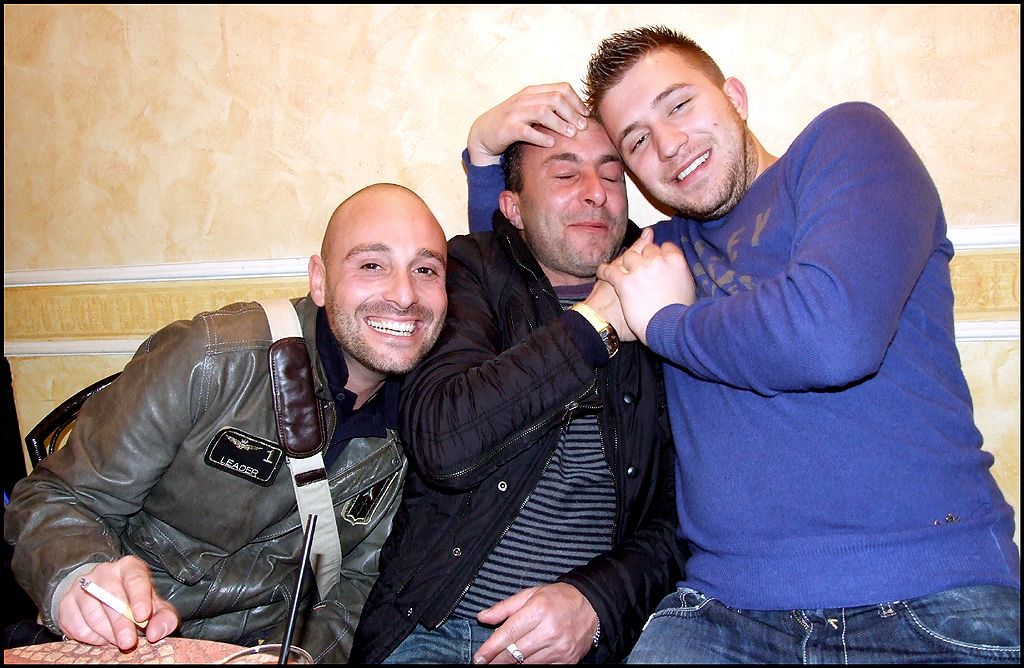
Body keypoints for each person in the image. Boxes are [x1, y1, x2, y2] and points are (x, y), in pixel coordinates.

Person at [464, 26, 1020, 664]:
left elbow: (833, 338)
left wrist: (667, 322)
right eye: (637, 141)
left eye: (679, 105)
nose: (668, 145)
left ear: (734, 96)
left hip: (931, 596)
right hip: (723, 613)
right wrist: (483, 153)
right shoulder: (657, 254)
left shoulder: (847, 145)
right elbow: (530, 276)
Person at [4, 183, 449, 663]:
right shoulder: (210, 360)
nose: (405, 295)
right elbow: (54, 496)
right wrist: (81, 576)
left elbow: (356, 591)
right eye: (372, 265)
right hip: (127, 642)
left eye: (425, 270)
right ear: (319, 281)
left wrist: (295, 658)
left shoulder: (428, 427)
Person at [350, 120, 684, 664]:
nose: (595, 192)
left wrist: (596, 601)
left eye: (611, 174)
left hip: (583, 645)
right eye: (565, 174)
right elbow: (443, 442)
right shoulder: (467, 272)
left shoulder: (668, 297)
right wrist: (592, 326)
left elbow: (684, 517)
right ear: (512, 207)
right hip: (435, 630)